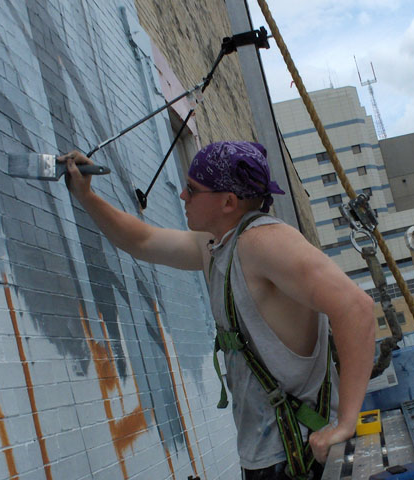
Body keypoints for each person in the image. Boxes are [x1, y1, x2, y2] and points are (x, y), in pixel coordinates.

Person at [61, 141, 374, 479]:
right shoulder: (217, 246)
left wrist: (345, 423)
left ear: (228, 201)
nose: (182, 196)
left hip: (301, 457)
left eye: (193, 189)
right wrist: (86, 196)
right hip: (271, 457)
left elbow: (357, 308)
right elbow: (141, 241)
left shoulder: (264, 242)